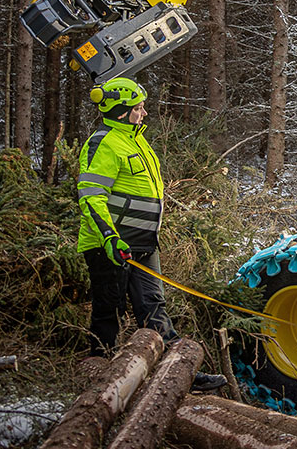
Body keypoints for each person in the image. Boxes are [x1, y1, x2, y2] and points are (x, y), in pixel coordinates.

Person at [77, 76, 226, 391]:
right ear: (121, 111)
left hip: (143, 243)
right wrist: (109, 237)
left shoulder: (135, 139)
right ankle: (100, 376)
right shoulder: (103, 143)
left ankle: (178, 373)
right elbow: (91, 197)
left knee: (154, 305)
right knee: (109, 312)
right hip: (110, 245)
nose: (143, 113)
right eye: (139, 108)